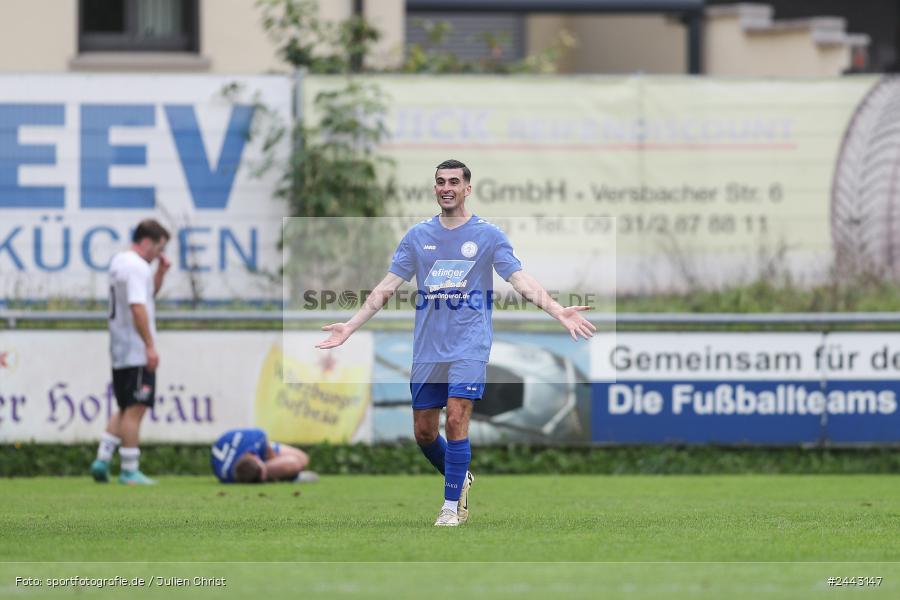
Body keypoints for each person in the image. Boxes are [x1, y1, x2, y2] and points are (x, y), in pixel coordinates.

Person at [316, 159, 595, 526]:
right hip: (429, 349)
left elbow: (519, 279)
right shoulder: (417, 237)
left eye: (453, 181)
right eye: (439, 182)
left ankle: (451, 507)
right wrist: (350, 325)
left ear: (467, 188)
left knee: (458, 416)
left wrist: (558, 310)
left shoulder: (488, 236)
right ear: (435, 188)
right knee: (424, 433)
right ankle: (459, 475)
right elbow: (387, 287)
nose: (446, 187)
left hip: (469, 344)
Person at [90, 219, 170, 485]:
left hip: (119, 347)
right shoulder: (137, 267)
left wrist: (160, 273)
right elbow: (138, 306)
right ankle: (129, 470)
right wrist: (149, 345)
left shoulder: (119, 262)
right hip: (135, 348)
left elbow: (146, 296)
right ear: (147, 242)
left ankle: (102, 459)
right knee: (136, 409)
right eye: (159, 247)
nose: (160, 253)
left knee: (125, 406)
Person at [210, 428, 318, 483]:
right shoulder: (229, 476)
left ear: (256, 457)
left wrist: (273, 461)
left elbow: (267, 445)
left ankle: (281, 475)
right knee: (293, 465)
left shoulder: (256, 438)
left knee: (303, 459)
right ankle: (293, 477)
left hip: (262, 447)